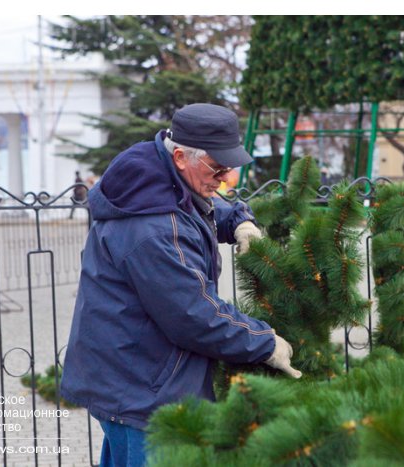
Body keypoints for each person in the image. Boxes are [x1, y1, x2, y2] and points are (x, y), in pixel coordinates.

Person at [61, 103, 301, 467]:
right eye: (217, 168)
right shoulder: (152, 229)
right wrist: (263, 342)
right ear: (179, 156)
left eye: (229, 169)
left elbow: (197, 207)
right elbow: (193, 314)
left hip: (134, 379)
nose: (223, 179)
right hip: (143, 391)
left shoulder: (155, 180)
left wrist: (238, 219)